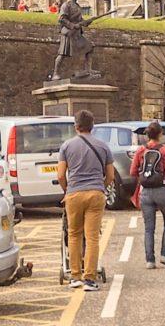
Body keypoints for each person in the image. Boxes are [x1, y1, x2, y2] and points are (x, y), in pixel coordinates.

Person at [57, 109, 114, 291]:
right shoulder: (103, 146)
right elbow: (111, 175)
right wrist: (101, 186)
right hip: (96, 194)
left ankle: (75, 276)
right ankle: (90, 279)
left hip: (74, 193)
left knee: (74, 235)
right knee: (92, 238)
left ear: (76, 126)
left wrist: (67, 190)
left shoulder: (66, 146)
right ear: (92, 126)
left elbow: (60, 175)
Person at [129, 120, 165, 269]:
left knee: (149, 228)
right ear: (160, 134)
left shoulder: (141, 150)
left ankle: (150, 260)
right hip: (162, 190)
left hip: (146, 191)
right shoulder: (164, 150)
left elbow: (132, 172)